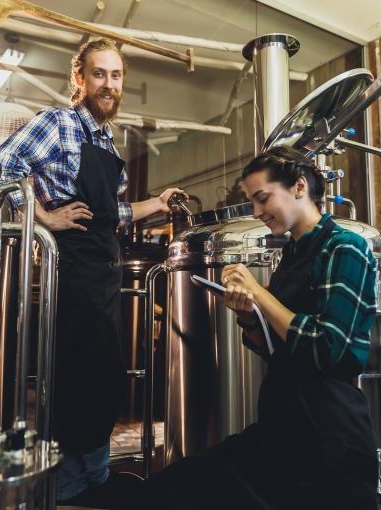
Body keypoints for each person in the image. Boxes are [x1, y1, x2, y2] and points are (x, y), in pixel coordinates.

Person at [121, 146, 378, 510]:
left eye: (262, 199)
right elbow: (272, 346)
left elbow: (325, 347)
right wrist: (246, 314)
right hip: (281, 429)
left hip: (329, 442)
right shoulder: (291, 253)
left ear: (299, 186)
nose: (257, 213)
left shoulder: (345, 248)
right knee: (169, 488)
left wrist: (259, 293)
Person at [0, 38, 186, 508]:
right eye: (99, 74)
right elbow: (1, 167)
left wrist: (156, 204)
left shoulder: (104, 138)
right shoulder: (57, 122)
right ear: (78, 78)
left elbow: (112, 212)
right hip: (73, 262)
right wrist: (44, 217)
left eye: (116, 76)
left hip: (103, 262)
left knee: (102, 373)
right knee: (79, 373)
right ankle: (71, 483)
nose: (109, 84)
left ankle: (89, 477)